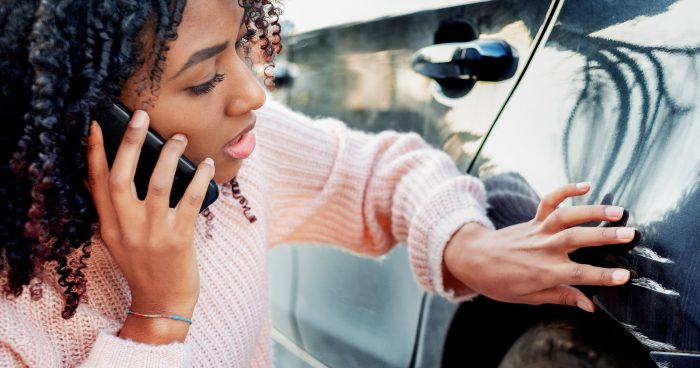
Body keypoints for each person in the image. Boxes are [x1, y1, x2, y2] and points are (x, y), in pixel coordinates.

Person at [0, 0, 636, 366]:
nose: (254, 92)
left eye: (242, 47)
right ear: (75, 116)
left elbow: (377, 174)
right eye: (203, 80)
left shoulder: (237, 161)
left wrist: (465, 245)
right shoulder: (15, 311)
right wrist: (157, 319)